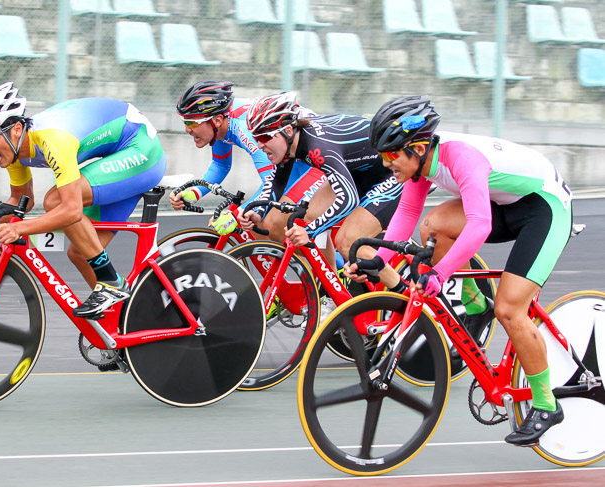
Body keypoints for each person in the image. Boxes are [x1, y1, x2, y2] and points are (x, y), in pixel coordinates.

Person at [348, 94, 571, 446]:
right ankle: (476, 305)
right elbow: (407, 215)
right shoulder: (420, 167)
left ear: (418, 148)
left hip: (544, 209)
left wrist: (441, 273)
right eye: (383, 155)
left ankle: (546, 404)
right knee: (432, 226)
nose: (386, 162)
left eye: (392, 155)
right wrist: (380, 261)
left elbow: (480, 226)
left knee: (511, 309)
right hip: (505, 204)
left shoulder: (461, 158)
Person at [0, 82, 166, 320]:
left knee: (56, 201)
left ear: (14, 129)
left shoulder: (53, 139)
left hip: (141, 151)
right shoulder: (13, 152)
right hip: (117, 155)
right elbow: (21, 200)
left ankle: (113, 284)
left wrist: (19, 228)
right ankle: (127, 325)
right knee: (79, 252)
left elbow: (71, 210)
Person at [241, 91, 407, 318]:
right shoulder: (291, 144)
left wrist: (310, 231)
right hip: (361, 172)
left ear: (288, 131)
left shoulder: (318, 147)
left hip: (390, 172)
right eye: (256, 138)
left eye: (264, 138)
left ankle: (410, 301)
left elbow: (347, 199)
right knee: (308, 214)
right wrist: (259, 212)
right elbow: (277, 182)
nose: (259, 145)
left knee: (348, 243)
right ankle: (331, 291)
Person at [171, 81, 326, 242]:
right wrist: (195, 192)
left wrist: (235, 215)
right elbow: (220, 165)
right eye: (185, 122)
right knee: (257, 222)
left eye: (192, 123)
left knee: (274, 223)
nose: (187, 129)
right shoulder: (219, 122)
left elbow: (271, 184)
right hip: (293, 158)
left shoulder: (246, 128)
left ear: (216, 120)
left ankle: (333, 266)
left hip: (315, 158)